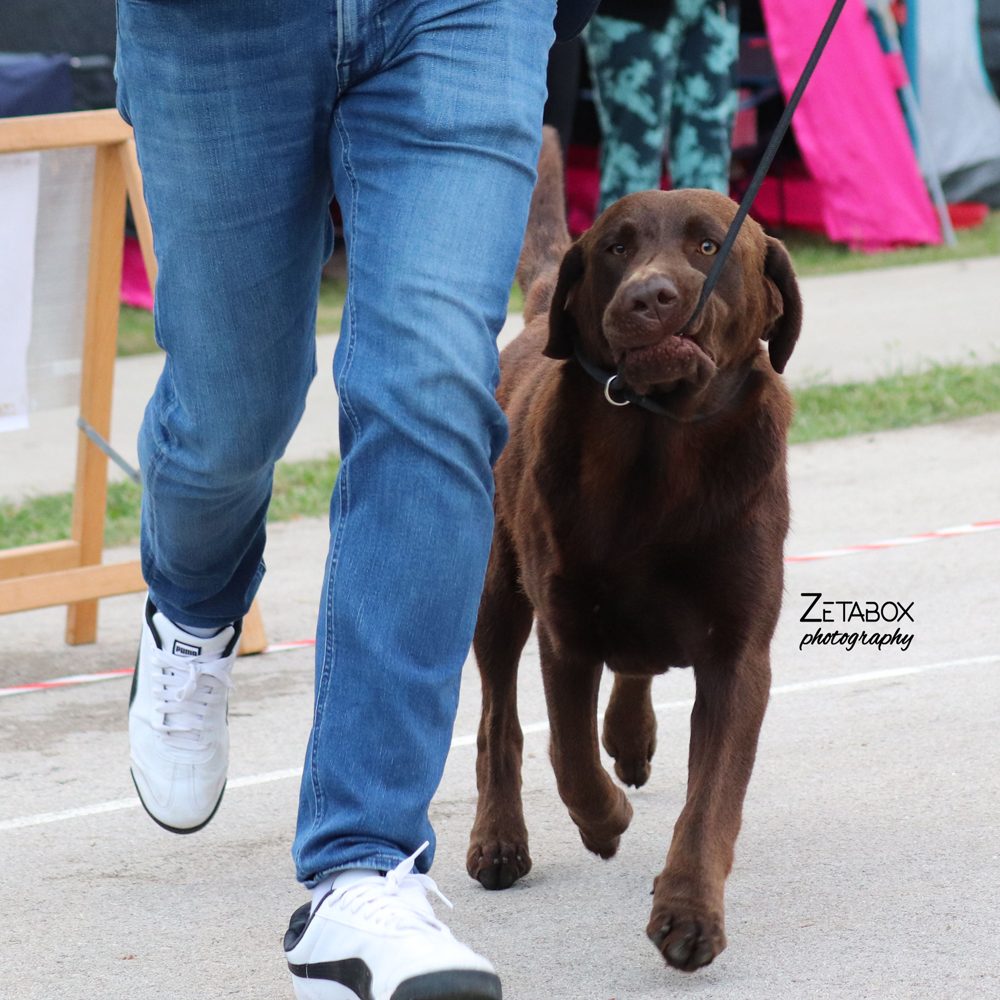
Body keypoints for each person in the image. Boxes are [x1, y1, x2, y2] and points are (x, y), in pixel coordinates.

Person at [116, 2, 597, 998]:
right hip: (221, 27)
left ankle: (364, 870)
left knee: (432, 387)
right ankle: (195, 607)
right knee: (230, 410)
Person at [583, 0, 741, 214]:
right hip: (630, 13)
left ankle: (711, 243)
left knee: (708, 154)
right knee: (633, 154)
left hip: (713, 8)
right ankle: (625, 243)